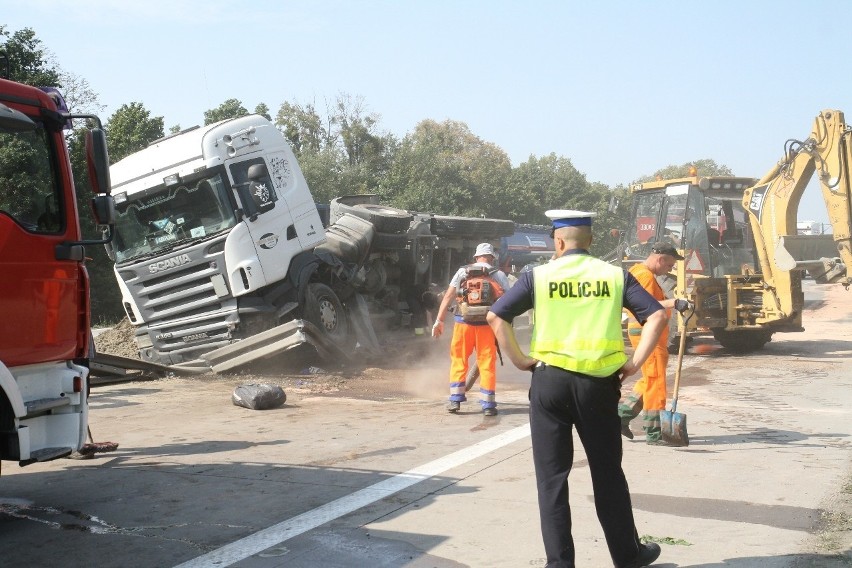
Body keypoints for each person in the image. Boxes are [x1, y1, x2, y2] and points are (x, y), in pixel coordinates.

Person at [487, 210, 667, 568]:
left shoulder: (537, 276)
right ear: (590, 242)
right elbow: (657, 315)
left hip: (550, 383)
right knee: (607, 473)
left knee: (552, 479)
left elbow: (496, 315)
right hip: (598, 385)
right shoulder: (615, 275)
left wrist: (522, 360)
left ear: (558, 241)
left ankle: (560, 564)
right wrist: (634, 364)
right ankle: (628, 556)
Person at [618, 242, 691, 445]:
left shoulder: (639, 272)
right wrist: (674, 303)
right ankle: (654, 430)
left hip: (647, 332)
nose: (670, 269)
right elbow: (645, 305)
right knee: (657, 381)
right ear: (660, 259)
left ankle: (622, 416)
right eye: (669, 265)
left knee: (649, 379)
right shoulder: (645, 276)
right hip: (647, 332)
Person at [432, 242, 511, 416]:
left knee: (459, 360)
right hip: (486, 325)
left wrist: (439, 321)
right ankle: (488, 405)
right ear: (492, 258)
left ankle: (455, 401)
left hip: (463, 323)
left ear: (476, 257)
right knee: (486, 363)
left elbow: (448, 297)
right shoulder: (498, 274)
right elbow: (509, 301)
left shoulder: (462, 272)